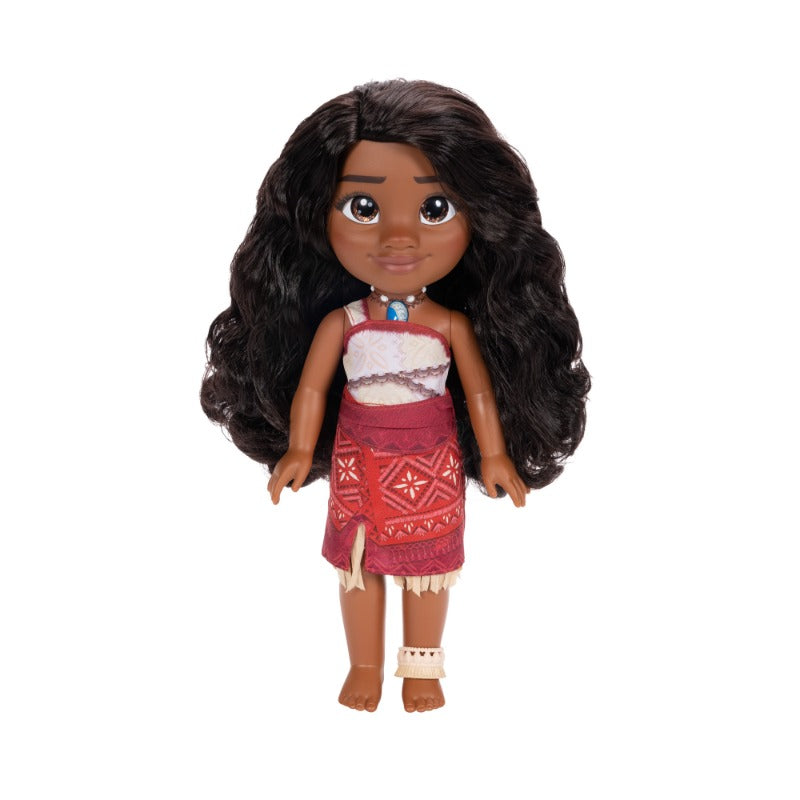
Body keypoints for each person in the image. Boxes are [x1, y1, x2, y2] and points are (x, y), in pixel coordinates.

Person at [201, 80, 590, 712]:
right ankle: (364, 665)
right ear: (317, 218)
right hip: (358, 458)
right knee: (357, 564)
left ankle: (422, 667)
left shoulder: (450, 324)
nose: (399, 237)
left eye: (435, 209)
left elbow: (480, 393)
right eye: (364, 208)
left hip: (430, 458)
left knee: (428, 569)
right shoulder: (344, 322)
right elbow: (312, 386)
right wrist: (298, 448)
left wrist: (494, 456)